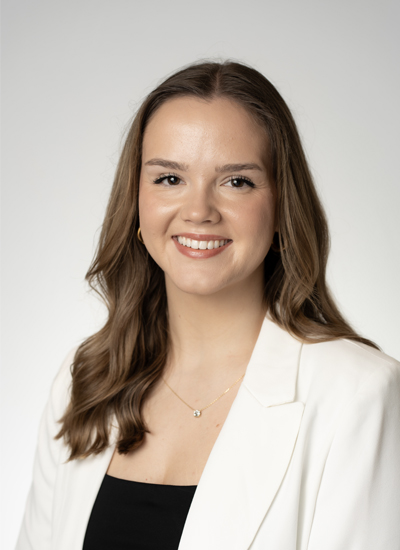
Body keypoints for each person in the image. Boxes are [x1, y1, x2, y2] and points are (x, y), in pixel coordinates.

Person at [16, 61, 400, 550]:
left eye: (236, 181)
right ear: (136, 202)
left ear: (282, 205)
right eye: (169, 179)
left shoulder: (357, 394)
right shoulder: (86, 381)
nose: (199, 211)